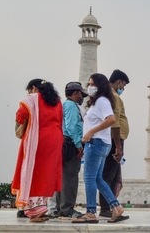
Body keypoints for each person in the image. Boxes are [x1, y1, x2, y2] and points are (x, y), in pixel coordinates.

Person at [73, 73, 127, 224]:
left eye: (92, 84)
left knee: (89, 178)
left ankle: (90, 212)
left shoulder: (102, 101)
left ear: (100, 85)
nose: (89, 87)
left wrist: (91, 132)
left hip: (96, 143)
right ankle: (116, 207)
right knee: (97, 178)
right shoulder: (98, 102)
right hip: (100, 143)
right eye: (89, 84)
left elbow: (111, 119)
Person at [12, 79, 63, 222]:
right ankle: (41, 208)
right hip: (55, 139)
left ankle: (32, 212)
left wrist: (22, 128)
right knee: (47, 174)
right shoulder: (57, 101)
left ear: (34, 88)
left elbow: (20, 115)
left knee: (34, 173)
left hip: (38, 140)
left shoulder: (32, 98)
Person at [99, 69, 130, 218]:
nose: (123, 88)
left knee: (109, 174)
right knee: (108, 175)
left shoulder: (108, 96)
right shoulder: (114, 97)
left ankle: (110, 206)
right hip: (114, 139)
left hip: (112, 139)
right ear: (119, 82)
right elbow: (115, 121)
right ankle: (107, 208)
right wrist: (118, 146)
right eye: (123, 85)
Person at [54, 82, 87, 219]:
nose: (82, 97)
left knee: (64, 177)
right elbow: (72, 127)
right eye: (81, 94)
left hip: (65, 142)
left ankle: (61, 208)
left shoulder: (66, 105)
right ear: (75, 93)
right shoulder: (71, 106)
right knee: (70, 177)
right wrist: (79, 145)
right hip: (71, 144)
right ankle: (67, 208)